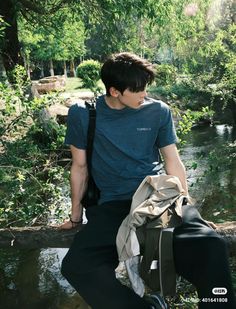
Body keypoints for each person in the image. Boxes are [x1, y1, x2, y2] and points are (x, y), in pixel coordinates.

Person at [60, 52, 236, 309]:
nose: (144, 95)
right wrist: (76, 216)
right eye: (138, 89)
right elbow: (79, 167)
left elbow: (173, 161)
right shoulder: (83, 114)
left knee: (211, 246)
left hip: (160, 197)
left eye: (146, 88)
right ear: (115, 91)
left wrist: (185, 204)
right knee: (78, 266)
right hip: (113, 205)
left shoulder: (158, 111)